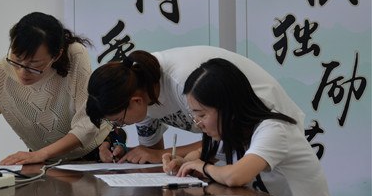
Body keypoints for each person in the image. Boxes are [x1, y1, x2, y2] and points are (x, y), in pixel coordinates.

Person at [86, 45, 306, 165]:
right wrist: (129, 154)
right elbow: (154, 153)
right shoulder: (139, 90)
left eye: (119, 121)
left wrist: (159, 155)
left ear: (136, 101)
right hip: (237, 146)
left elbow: (229, 135)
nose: (121, 125)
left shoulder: (185, 82)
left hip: (265, 128)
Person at [175, 58, 332, 196]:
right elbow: (203, 154)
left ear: (228, 108)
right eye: (194, 116)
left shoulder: (274, 130)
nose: (198, 123)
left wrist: (202, 166)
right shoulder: (235, 131)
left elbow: (235, 177)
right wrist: (184, 164)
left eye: (202, 115)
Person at [0, 12, 111, 165]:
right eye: (17, 60)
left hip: (99, 152)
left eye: (34, 65)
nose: (22, 72)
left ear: (56, 55)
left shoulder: (75, 54)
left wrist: (41, 154)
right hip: (44, 161)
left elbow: (88, 123)